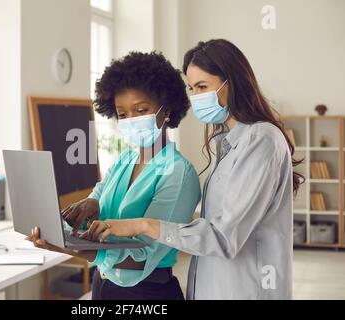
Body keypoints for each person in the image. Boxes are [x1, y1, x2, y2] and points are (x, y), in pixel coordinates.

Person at [79, 39, 305, 300]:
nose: (196, 97)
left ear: (232, 83)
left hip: (247, 289)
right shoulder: (228, 142)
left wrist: (141, 225)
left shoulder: (261, 140)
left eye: (202, 87)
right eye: (191, 88)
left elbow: (223, 238)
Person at [27, 52, 201, 300]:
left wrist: (68, 247)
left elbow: (138, 262)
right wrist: (86, 209)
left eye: (141, 110)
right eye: (122, 114)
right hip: (103, 285)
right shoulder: (124, 161)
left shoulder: (178, 174)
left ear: (167, 110)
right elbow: (98, 197)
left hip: (147, 292)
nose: (131, 120)